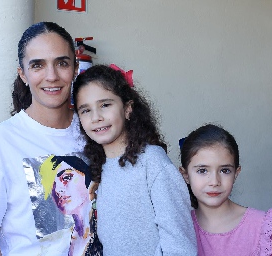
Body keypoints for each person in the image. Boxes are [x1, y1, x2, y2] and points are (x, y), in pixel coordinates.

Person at [0, 22, 100, 256]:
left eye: (62, 63)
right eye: (38, 65)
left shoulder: (94, 129)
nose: (52, 76)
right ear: (22, 74)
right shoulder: (0, 141)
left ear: (75, 68)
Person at [72, 64, 197, 256]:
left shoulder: (152, 161)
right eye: (85, 110)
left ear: (128, 108)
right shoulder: (99, 168)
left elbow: (179, 244)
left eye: (105, 105)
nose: (96, 117)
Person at [178, 124, 272, 256]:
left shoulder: (261, 228)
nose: (214, 182)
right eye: (202, 171)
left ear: (236, 173)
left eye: (225, 170)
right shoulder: (179, 227)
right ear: (185, 175)